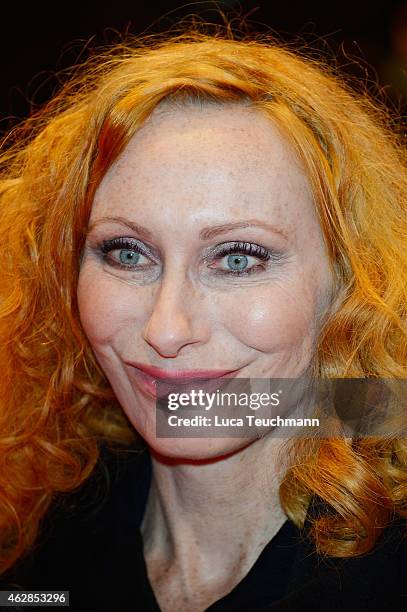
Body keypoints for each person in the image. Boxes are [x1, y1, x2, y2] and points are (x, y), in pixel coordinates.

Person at [0, 22, 406, 612]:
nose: (165, 330)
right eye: (126, 252)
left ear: (355, 280)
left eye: (238, 258)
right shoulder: (33, 543)